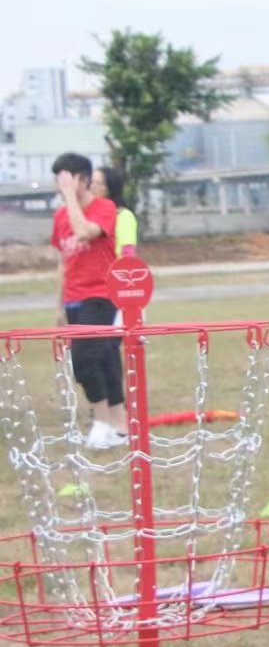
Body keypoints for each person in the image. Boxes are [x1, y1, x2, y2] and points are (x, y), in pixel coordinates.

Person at [50, 153, 126, 449]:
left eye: (64, 180)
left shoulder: (104, 208)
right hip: (74, 298)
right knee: (104, 359)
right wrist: (59, 306)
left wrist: (71, 196)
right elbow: (63, 262)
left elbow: (84, 232)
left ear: (81, 180)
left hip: (99, 295)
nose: (59, 187)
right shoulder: (60, 217)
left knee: (83, 361)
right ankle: (120, 426)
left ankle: (101, 422)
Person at [91, 164, 139, 257]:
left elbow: (127, 251)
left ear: (110, 188)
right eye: (91, 182)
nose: (92, 187)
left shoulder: (123, 215)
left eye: (99, 183)